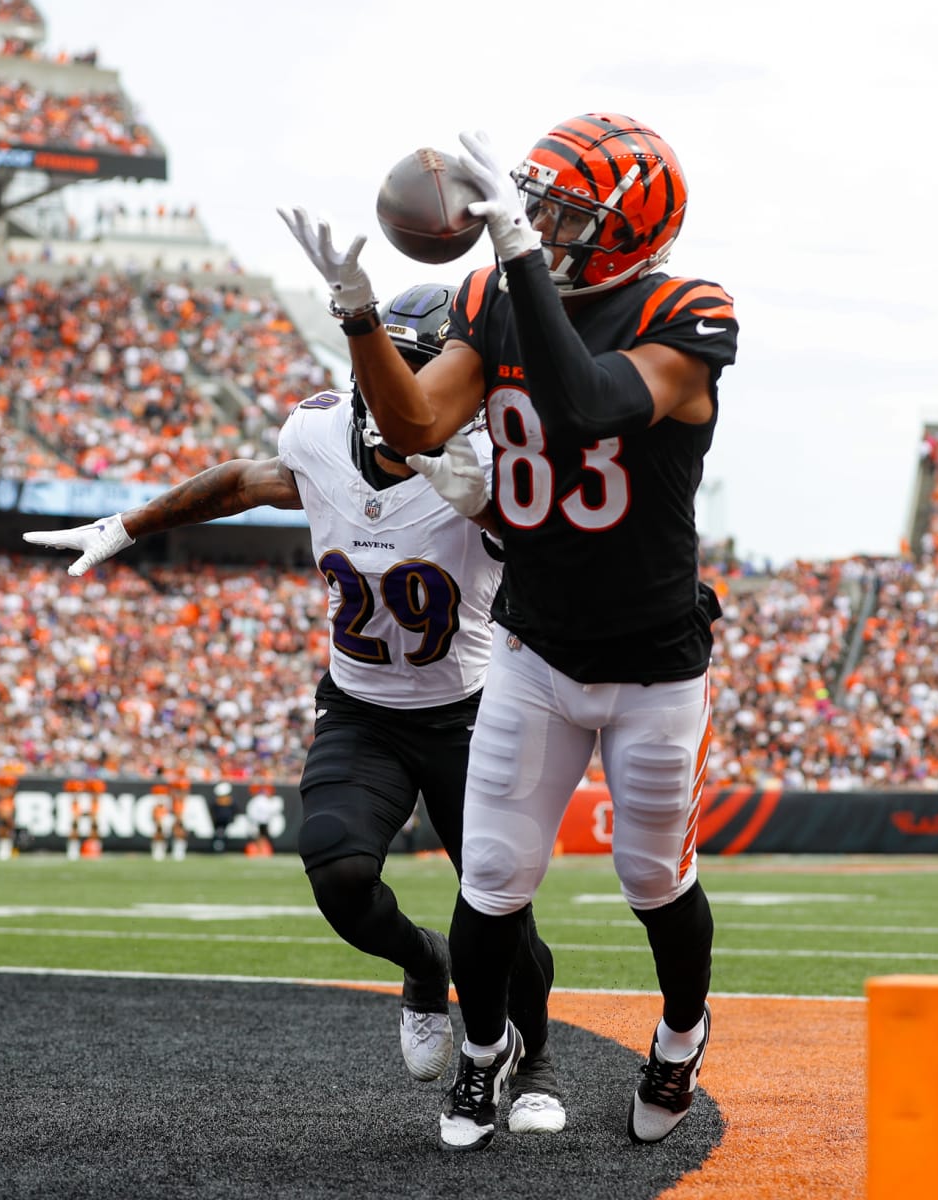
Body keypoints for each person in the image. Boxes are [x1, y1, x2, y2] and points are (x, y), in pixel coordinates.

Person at [280, 114, 737, 1149]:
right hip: (533, 643)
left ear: (634, 226)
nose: (537, 222)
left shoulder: (688, 311)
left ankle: (679, 1033)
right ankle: (481, 1061)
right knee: (490, 879)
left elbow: (586, 405)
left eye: (566, 212)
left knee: (653, 879)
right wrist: (356, 317)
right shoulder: (488, 298)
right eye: (537, 205)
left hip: (655, 660)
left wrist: (520, 254)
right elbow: (411, 427)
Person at [23, 284, 563, 1131]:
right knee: (341, 875)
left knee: (502, 911)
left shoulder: (487, 471)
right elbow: (245, 481)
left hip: (468, 710)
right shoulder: (318, 435)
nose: (405, 397)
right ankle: (424, 966)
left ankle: (535, 1063)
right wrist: (129, 524)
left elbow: (562, 551)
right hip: (361, 706)